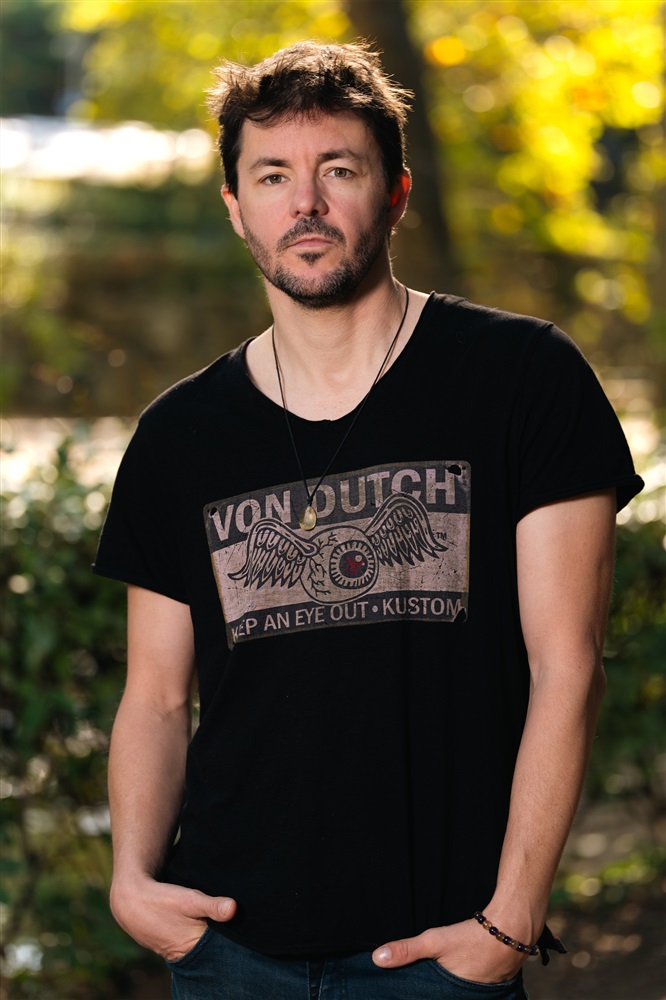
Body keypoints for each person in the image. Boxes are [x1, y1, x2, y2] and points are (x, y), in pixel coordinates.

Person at [93, 41, 643, 1000]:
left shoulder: (522, 377)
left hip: (442, 951)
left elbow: (569, 664)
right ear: (235, 206)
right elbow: (155, 698)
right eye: (272, 176)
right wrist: (133, 880)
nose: (304, 204)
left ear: (394, 194)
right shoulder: (180, 435)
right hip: (228, 950)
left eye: (338, 170)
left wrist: (511, 918)